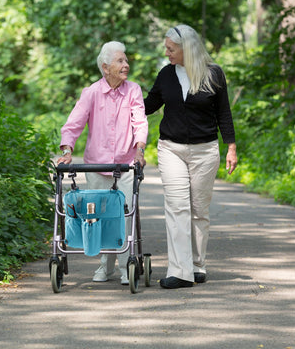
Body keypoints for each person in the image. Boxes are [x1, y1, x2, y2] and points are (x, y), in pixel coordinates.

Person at [144, 24, 237, 289]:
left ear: (187, 48)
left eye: (171, 49)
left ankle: (197, 265)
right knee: (177, 207)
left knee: (198, 211)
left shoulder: (213, 74)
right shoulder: (166, 74)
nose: (167, 52)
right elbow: (148, 106)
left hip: (205, 151)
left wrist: (231, 147)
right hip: (171, 149)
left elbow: (224, 113)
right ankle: (180, 271)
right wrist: (122, 98)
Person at [57, 41, 148, 285]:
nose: (126, 65)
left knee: (123, 215)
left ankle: (125, 267)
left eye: (126, 60)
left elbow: (139, 121)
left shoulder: (133, 90)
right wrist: (67, 150)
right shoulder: (91, 93)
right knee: (97, 216)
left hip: (126, 165)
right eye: (121, 61)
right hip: (96, 166)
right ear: (105, 67)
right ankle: (104, 267)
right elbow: (73, 124)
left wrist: (140, 149)